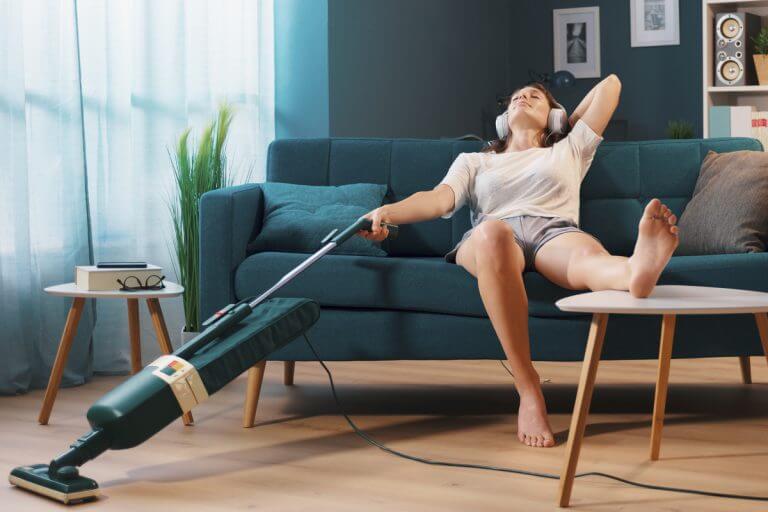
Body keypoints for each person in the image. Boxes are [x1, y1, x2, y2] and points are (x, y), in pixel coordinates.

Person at [356, 74, 679, 448]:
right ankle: (528, 388)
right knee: (492, 234)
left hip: (553, 231)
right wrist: (388, 212)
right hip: (492, 236)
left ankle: (636, 271)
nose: (523, 98)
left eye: (535, 98)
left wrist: (566, 123)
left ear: (553, 116)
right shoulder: (474, 160)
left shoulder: (571, 148)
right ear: (502, 120)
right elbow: (439, 199)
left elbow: (611, 86)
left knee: (588, 259)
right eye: (515, 98)